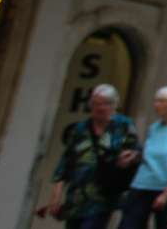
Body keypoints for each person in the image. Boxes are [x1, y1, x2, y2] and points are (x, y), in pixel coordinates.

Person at [37, 84, 141, 228]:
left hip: (104, 195)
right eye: (96, 104)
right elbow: (66, 162)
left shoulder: (123, 125)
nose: (100, 108)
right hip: (77, 196)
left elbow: (136, 152)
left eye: (106, 104)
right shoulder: (80, 129)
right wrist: (56, 196)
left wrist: (128, 159)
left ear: (114, 105)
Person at [119, 86, 167, 229]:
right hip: (142, 184)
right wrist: (133, 156)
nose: (156, 104)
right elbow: (150, 156)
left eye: (161, 101)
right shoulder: (154, 127)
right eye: (156, 100)